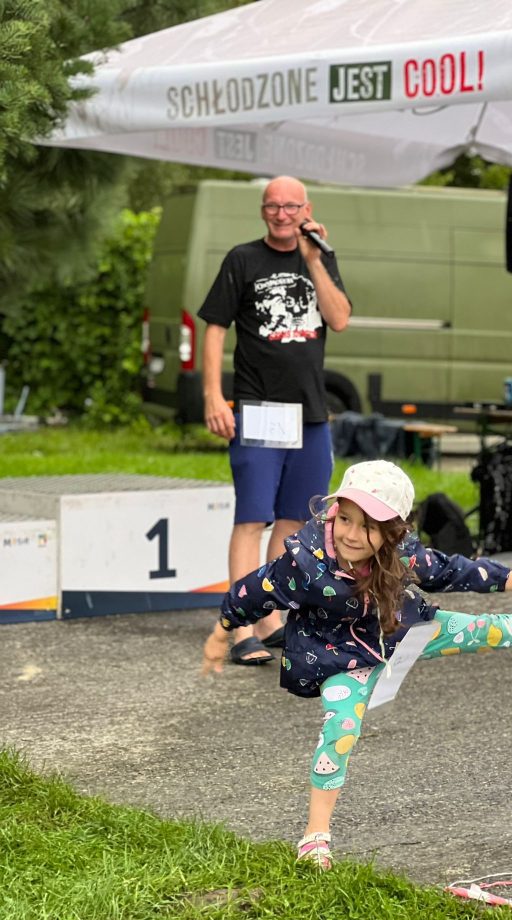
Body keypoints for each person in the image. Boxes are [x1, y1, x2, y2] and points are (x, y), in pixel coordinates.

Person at [201, 460, 512, 870]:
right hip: (341, 659)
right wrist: (222, 634)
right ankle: (315, 837)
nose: (351, 534)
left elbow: (458, 571)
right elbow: (250, 593)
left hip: (406, 634)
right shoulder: (304, 564)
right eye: (345, 518)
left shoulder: (403, 555)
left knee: (500, 629)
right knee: (341, 729)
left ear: (393, 531)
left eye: (368, 526)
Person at [199, 176, 351, 666]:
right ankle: (239, 626)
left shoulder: (319, 257)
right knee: (252, 518)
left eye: (291, 206)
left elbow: (339, 318)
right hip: (260, 408)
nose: (282, 214)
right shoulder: (243, 259)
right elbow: (215, 328)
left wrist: (314, 260)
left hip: (310, 413)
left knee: (293, 521)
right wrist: (213, 396)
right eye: (273, 206)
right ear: (263, 210)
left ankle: (269, 618)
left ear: (307, 209)